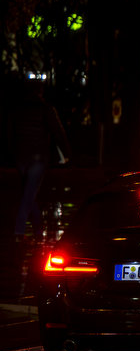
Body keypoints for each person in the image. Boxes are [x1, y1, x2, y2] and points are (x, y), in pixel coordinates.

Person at [11, 80, 70, 240]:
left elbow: (11, 132)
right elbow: (58, 132)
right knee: (29, 194)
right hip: (38, 157)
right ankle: (19, 231)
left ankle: (38, 230)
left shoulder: (18, 109)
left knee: (29, 193)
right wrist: (65, 153)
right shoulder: (46, 109)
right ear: (41, 91)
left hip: (21, 157)